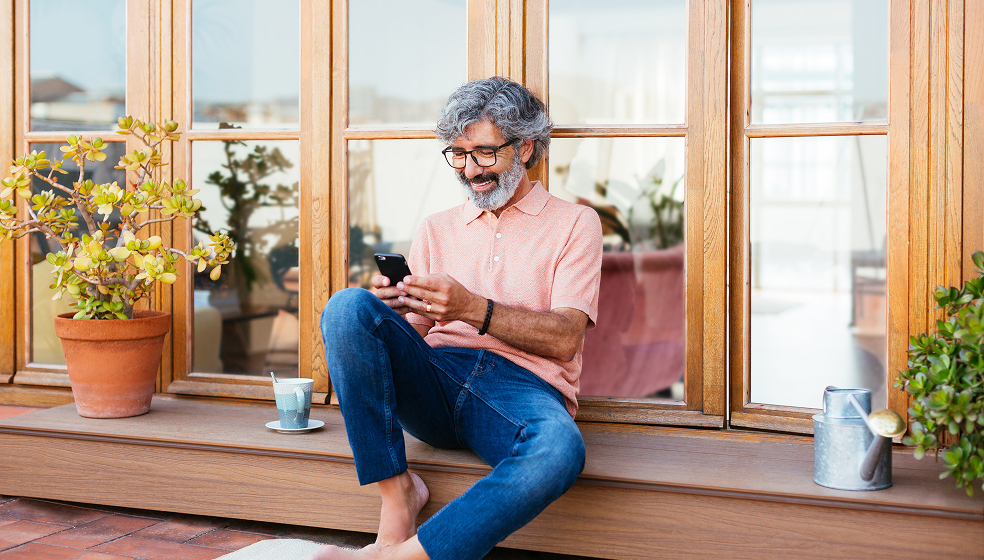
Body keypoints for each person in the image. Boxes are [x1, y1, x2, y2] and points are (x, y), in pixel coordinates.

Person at [315, 76, 603, 560]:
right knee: (348, 307)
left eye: (485, 153)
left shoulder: (576, 223)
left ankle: (400, 557)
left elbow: (566, 338)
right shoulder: (435, 228)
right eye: (458, 154)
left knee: (559, 451)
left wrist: (471, 307)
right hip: (437, 375)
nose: (471, 170)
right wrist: (394, 316)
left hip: (523, 389)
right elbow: (416, 335)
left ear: (526, 146)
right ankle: (397, 497)